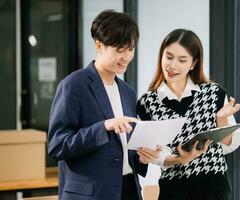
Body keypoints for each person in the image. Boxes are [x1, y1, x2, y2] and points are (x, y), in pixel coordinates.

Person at [48, 10, 159, 200]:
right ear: (99, 46)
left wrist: (141, 157)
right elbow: (57, 146)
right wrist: (104, 126)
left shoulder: (128, 92)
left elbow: (123, 148)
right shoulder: (74, 85)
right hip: (91, 194)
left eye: (130, 49)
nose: (126, 57)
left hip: (128, 190)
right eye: (119, 50)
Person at [137, 29, 240, 200]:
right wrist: (180, 159)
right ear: (161, 56)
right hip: (174, 192)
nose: (172, 66)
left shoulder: (213, 93)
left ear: (193, 64)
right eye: (169, 57)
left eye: (182, 60)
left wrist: (221, 120)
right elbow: (156, 155)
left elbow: (230, 145)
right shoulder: (147, 103)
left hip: (214, 189)